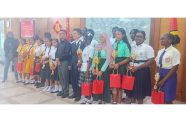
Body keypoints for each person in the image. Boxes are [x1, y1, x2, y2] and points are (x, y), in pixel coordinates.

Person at [128, 30, 154, 104]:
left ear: (144, 38)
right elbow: (128, 58)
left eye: (140, 36)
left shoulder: (148, 47)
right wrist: (128, 66)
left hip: (142, 71)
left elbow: (151, 61)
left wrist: (137, 68)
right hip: (132, 70)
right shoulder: (132, 46)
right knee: (131, 90)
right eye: (137, 36)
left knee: (140, 93)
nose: (138, 38)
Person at [155, 33, 180, 104]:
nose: (161, 40)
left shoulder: (175, 51)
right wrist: (157, 76)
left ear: (169, 40)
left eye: (163, 38)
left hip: (169, 75)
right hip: (160, 73)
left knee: (167, 98)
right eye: (161, 39)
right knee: (160, 95)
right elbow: (157, 65)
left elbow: (175, 67)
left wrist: (163, 81)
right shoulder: (160, 51)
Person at [110, 28, 131, 104]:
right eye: (116, 34)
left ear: (123, 35)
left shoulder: (125, 45)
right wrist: (111, 63)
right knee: (113, 85)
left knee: (119, 86)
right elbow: (111, 56)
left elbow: (128, 58)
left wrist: (118, 64)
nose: (116, 35)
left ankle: (118, 102)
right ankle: (114, 102)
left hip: (121, 65)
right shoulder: (114, 44)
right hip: (113, 66)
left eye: (118, 34)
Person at [92, 33, 112, 104]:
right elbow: (94, 57)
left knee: (104, 83)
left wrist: (102, 70)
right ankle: (98, 98)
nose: (101, 38)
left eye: (102, 37)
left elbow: (108, 60)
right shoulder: (97, 46)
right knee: (97, 82)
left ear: (106, 38)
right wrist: (93, 68)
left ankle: (105, 99)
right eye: (100, 37)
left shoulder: (108, 46)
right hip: (97, 66)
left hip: (104, 67)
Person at [78, 29, 95, 104]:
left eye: (85, 38)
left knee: (88, 84)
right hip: (83, 67)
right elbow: (83, 58)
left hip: (88, 68)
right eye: (84, 38)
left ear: (90, 39)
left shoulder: (91, 48)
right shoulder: (85, 47)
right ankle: (85, 97)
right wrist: (79, 62)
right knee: (83, 84)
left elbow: (90, 60)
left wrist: (87, 71)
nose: (84, 40)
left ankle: (89, 98)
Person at [69, 28, 85, 101]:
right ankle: (74, 93)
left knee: (78, 79)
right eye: (73, 33)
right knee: (73, 79)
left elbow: (83, 54)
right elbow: (70, 55)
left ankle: (79, 94)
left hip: (78, 64)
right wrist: (70, 64)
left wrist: (80, 63)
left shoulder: (82, 43)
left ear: (79, 34)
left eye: (75, 33)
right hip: (72, 63)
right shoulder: (72, 43)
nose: (73, 34)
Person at [56, 30, 71, 98]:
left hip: (64, 62)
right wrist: (56, 58)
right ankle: (62, 90)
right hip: (58, 62)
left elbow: (67, 54)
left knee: (65, 77)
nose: (60, 35)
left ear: (65, 35)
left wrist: (59, 59)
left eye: (62, 33)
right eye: (60, 34)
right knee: (61, 77)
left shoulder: (68, 43)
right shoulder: (59, 43)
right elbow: (57, 52)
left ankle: (66, 92)